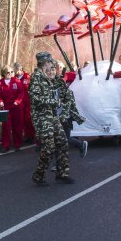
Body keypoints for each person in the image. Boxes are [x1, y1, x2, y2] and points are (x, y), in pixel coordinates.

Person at [29, 52, 74, 186]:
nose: (50, 66)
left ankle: (62, 174)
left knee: (63, 142)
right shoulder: (36, 77)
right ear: (43, 63)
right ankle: (39, 175)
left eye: (51, 64)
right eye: (48, 63)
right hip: (42, 118)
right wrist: (53, 101)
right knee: (48, 147)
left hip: (53, 116)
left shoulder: (48, 77)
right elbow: (35, 99)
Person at [45, 64, 88, 158]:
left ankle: (81, 145)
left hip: (64, 115)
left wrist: (63, 115)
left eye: (53, 70)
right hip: (54, 115)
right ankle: (58, 162)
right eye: (48, 71)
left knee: (65, 138)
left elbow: (68, 99)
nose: (50, 72)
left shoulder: (60, 82)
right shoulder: (46, 84)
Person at [0, 65, 24, 152]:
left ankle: (17, 144)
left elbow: (21, 93)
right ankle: (5, 145)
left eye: (11, 72)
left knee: (17, 126)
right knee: (5, 127)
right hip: (4, 108)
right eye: (8, 72)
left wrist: (17, 101)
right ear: (3, 73)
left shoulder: (17, 81)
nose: (10, 74)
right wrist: (0, 101)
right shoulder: (0, 83)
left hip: (16, 108)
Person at [14, 62, 35, 143]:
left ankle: (31, 135)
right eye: (16, 70)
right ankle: (25, 135)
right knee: (21, 120)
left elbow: (32, 88)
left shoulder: (27, 76)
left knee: (28, 119)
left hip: (28, 102)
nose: (18, 71)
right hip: (19, 102)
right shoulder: (14, 78)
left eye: (19, 69)